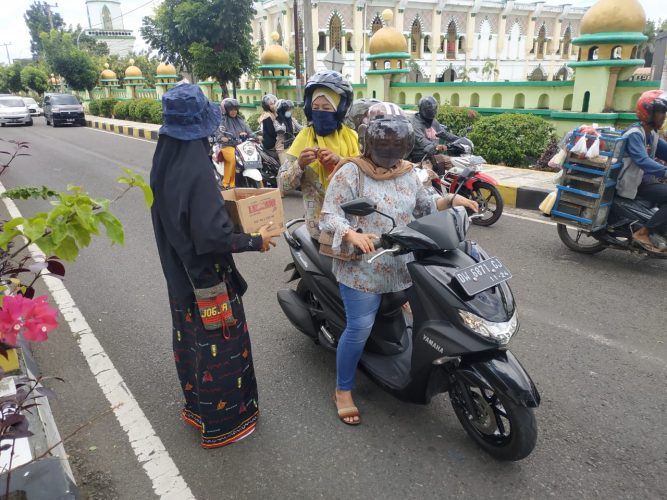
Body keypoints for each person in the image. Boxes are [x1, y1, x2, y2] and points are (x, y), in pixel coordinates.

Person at [319, 103, 479, 425]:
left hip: (404, 262)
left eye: (397, 144)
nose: (390, 151)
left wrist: (451, 200)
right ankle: (343, 389)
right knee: (360, 327)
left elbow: (423, 205)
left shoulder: (407, 173)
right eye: (383, 143)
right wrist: (350, 232)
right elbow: (329, 214)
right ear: (369, 142)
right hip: (364, 266)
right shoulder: (351, 172)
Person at [150, 84, 282, 448]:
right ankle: (226, 423)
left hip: (181, 273)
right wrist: (256, 240)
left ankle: (197, 409)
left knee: (192, 341)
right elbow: (211, 237)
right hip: (208, 280)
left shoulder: (165, 158)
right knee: (220, 348)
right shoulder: (196, 169)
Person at [278, 70, 360, 239]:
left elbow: (366, 181)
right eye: (315, 108)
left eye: (326, 108)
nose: (320, 112)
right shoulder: (303, 138)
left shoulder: (352, 137)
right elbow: (282, 186)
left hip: (354, 227)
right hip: (319, 230)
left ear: (339, 109)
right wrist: (299, 164)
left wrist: (341, 162)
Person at [616, 90, 667, 252]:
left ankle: (660, 232)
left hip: (644, 180)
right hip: (632, 182)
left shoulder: (650, 134)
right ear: (647, 113)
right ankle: (643, 232)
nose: (664, 117)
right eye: (660, 113)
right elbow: (642, 161)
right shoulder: (635, 134)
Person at [408, 96, 460, 173]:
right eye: (429, 109)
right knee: (428, 177)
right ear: (422, 110)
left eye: (433, 109)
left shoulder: (433, 121)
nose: (432, 111)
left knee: (457, 166)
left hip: (435, 156)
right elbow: (421, 140)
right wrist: (436, 146)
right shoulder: (415, 123)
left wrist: (459, 139)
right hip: (420, 158)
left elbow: (444, 134)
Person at [215, 98, 254, 188]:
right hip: (227, 146)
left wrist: (255, 136)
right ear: (226, 110)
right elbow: (219, 132)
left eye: (235, 109)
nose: (233, 112)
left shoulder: (240, 120)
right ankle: (227, 183)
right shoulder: (223, 121)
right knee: (232, 159)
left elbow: (248, 130)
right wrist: (222, 137)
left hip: (241, 145)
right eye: (231, 109)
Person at [273, 100, 303, 165]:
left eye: (290, 109)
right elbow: (281, 129)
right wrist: (284, 121)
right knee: (286, 169)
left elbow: (300, 128)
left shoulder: (291, 119)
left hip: (293, 146)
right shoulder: (276, 121)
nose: (289, 111)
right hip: (282, 148)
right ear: (282, 111)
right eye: (287, 110)